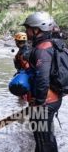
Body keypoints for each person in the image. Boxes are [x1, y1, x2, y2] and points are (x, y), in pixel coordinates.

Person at [21, 11, 62, 152]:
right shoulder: (51, 44)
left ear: (37, 29)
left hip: (45, 102)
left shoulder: (42, 50)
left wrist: (38, 102)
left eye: (28, 28)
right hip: (53, 98)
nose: (26, 31)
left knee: (43, 140)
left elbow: (42, 78)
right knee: (45, 137)